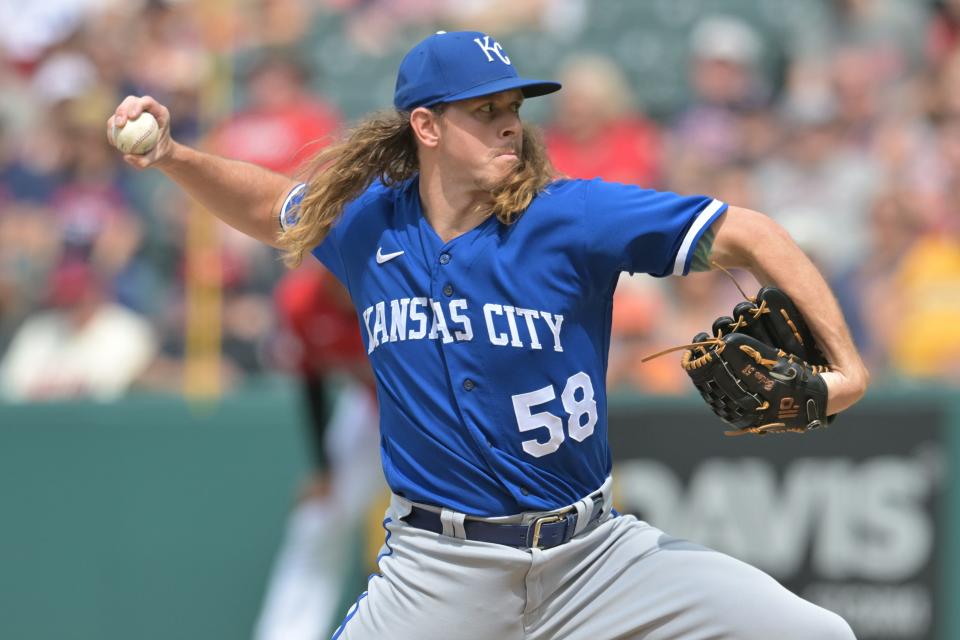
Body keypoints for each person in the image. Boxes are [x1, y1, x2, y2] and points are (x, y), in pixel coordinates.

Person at [107, 30, 868, 640]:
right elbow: (273, 203)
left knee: (817, 633)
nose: (509, 119)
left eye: (513, 103)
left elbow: (755, 234)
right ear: (427, 126)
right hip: (440, 573)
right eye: (483, 108)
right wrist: (172, 155)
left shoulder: (570, 218)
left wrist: (847, 368)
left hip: (595, 557)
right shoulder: (370, 224)